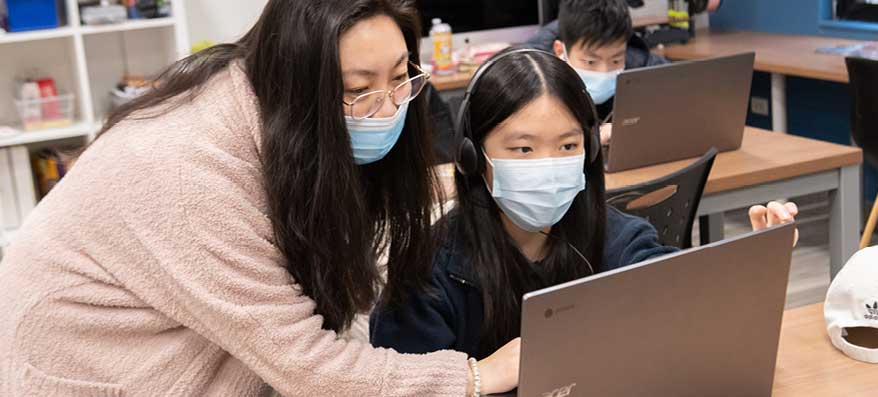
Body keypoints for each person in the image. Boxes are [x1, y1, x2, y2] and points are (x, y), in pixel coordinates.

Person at [0, 1, 519, 396]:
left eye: (400, 75)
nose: (387, 108)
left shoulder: (273, 111)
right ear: (299, 82)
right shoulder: (193, 177)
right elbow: (306, 364)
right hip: (89, 367)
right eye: (359, 89)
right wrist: (477, 376)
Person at [369, 49, 798, 359]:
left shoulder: (618, 238)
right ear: (471, 157)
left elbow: (684, 308)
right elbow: (403, 383)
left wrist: (750, 268)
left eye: (568, 145)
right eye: (523, 149)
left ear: (590, 150)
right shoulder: (428, 274)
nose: (549, 165)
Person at [526, 0, 668, 144]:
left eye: (616, 60)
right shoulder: (528, 73)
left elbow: (679, 98)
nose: (604, 72)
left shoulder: (640, 62)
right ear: (560, 51)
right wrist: (588, 138)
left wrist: (630, 128)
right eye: (591, 62)